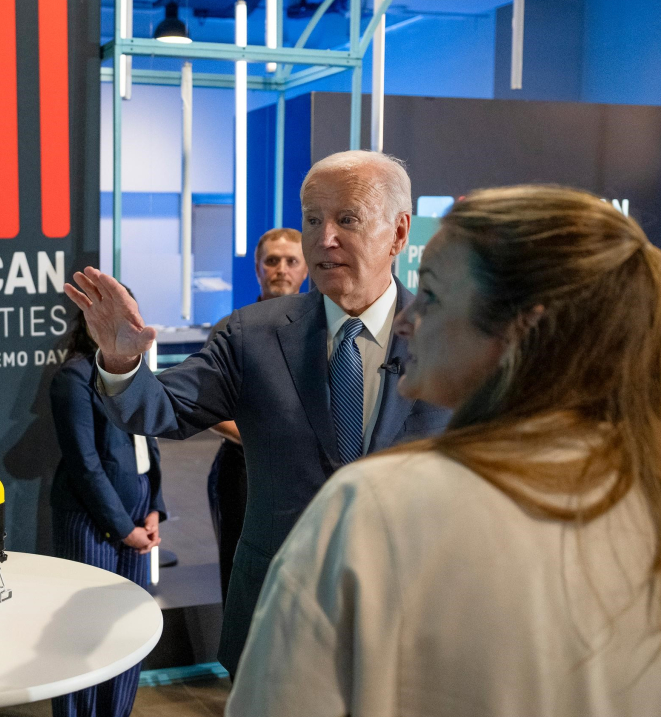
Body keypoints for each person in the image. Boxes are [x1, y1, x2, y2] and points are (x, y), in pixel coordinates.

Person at [228, 185, 661, 715]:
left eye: (430, 293)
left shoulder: (375, 506)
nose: (406, 321)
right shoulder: (644, 485)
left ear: (521, 326)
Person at [62, 150, 452, 673]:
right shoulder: (252, 335)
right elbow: (159, 410)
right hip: (280, 615)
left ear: (399, 233)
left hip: (414, 617)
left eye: (347, 219)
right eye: (312, 219)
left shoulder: (454, 338)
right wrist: (121, 361)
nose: (325, 238)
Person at [49, 299, 167, 717]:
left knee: (128, 632)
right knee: (84, 634)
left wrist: (155, 508)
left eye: (131, 316)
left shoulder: (136, 373)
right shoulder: (73, 377)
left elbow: (149, 441)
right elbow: (84, 464)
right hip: (90, 521)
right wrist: (124, 528)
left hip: (137, 515)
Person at [207, 228, 309, 606]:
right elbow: (207, 407)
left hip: (308, 477)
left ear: (306, 269)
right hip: (244, 474)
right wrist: (267, 438)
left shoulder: (327, 330)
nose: (281, 269)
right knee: (243, 583)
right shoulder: (230, 331)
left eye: (291, 261)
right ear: (257, 268)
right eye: (272, 260)